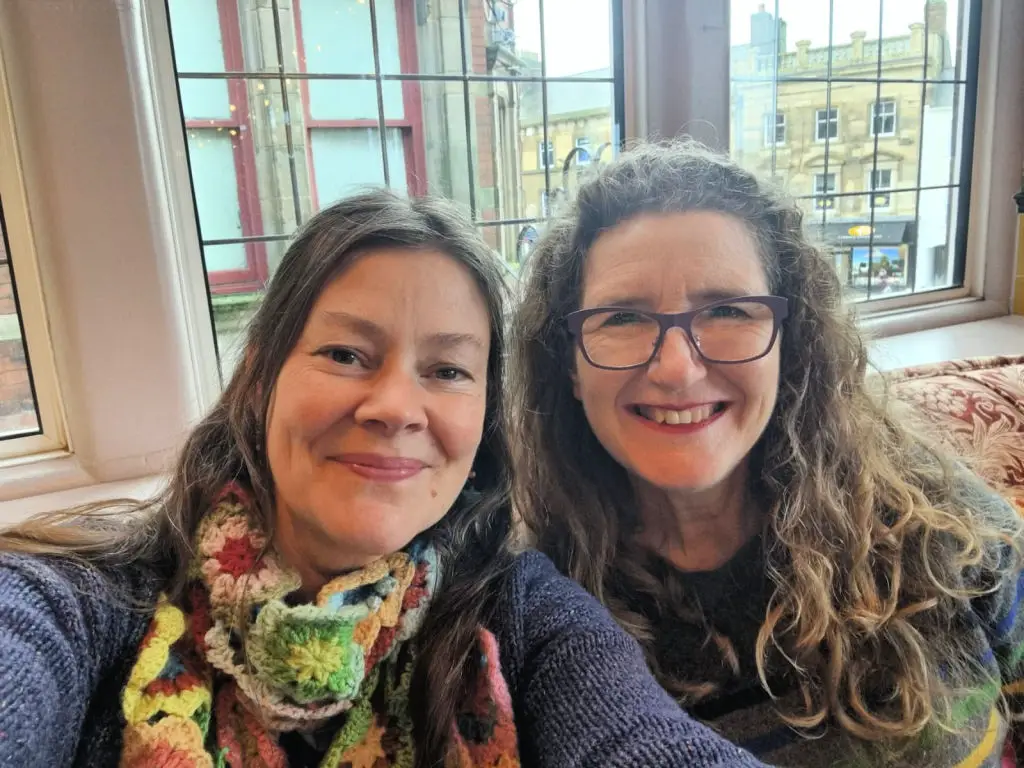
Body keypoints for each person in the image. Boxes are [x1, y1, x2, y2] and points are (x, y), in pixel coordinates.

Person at [0, 190, 764, 768]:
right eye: (345, 355)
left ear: (485, 418)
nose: (396, 407)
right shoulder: (79, 605)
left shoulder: (526, 618)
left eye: (448, 370)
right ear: (261, 378)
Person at [511, 141, 1024, 767]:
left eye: (728, 310)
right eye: (622, 318)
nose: (676, 369)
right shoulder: (534, 613)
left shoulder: (944, 527)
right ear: (568, 364)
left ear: (791, 341)